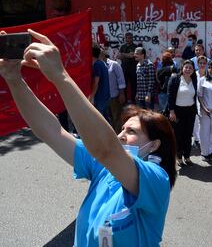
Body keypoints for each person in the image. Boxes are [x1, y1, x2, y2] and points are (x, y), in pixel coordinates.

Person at [0, 29, 176, 246]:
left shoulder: (156, 180)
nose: (121, 135)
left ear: (154, 145)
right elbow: (51, 131)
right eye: (121, 129)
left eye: (132, 132)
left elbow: (107, 148)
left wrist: (60, 76)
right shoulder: (103, 167)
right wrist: (14, 80)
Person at [167, 60, 197, 166]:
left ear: (193, 70)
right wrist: (171, 111)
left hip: (190, 111)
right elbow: (170, 96)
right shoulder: (175, 78)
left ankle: (187, 156)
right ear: (182, 68)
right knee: (178, 135)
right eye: (186, 67)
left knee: (188, 135)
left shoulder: (194, 79)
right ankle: (179, 157)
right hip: (178, 111)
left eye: (190, 68)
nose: (188, 69)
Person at [103, 53, 126, 133]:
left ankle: (119, 136)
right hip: (103, 97)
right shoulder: (98, 65)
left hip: (114, 96)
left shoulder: (114, 64)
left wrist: (121, 93)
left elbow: (121, 79)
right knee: (107, 118)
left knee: (116, 117)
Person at [90, 45, 111, 121]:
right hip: (105, 96)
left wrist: (91, 97)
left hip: (99, 97)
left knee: (99, 120)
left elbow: (96, 83)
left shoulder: (97, 65)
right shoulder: (102, 63)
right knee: (106, 120)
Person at [117, 32, 139, 103]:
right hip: (124, 69)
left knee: (134, 85)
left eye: (130, 38)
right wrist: (127, 55)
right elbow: (119, 56)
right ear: (125, 38)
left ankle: (133, 101)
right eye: (127, 38)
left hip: (133, 69)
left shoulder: (135, 47)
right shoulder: (123, 46)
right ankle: (125, 101)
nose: (128, 39)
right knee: (124, 85)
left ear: (132, 38)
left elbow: (132, 55)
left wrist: (124, 54)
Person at [192, 56, 208, 149]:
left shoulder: (209, 75)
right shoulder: (194, 74)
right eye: (200, 63)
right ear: (197, 64)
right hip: (194, 101)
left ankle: (203, 139)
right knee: (195, 121)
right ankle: (197, 139)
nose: (202, 65)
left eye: (204, 63)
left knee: (204, 121)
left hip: (206, 101)